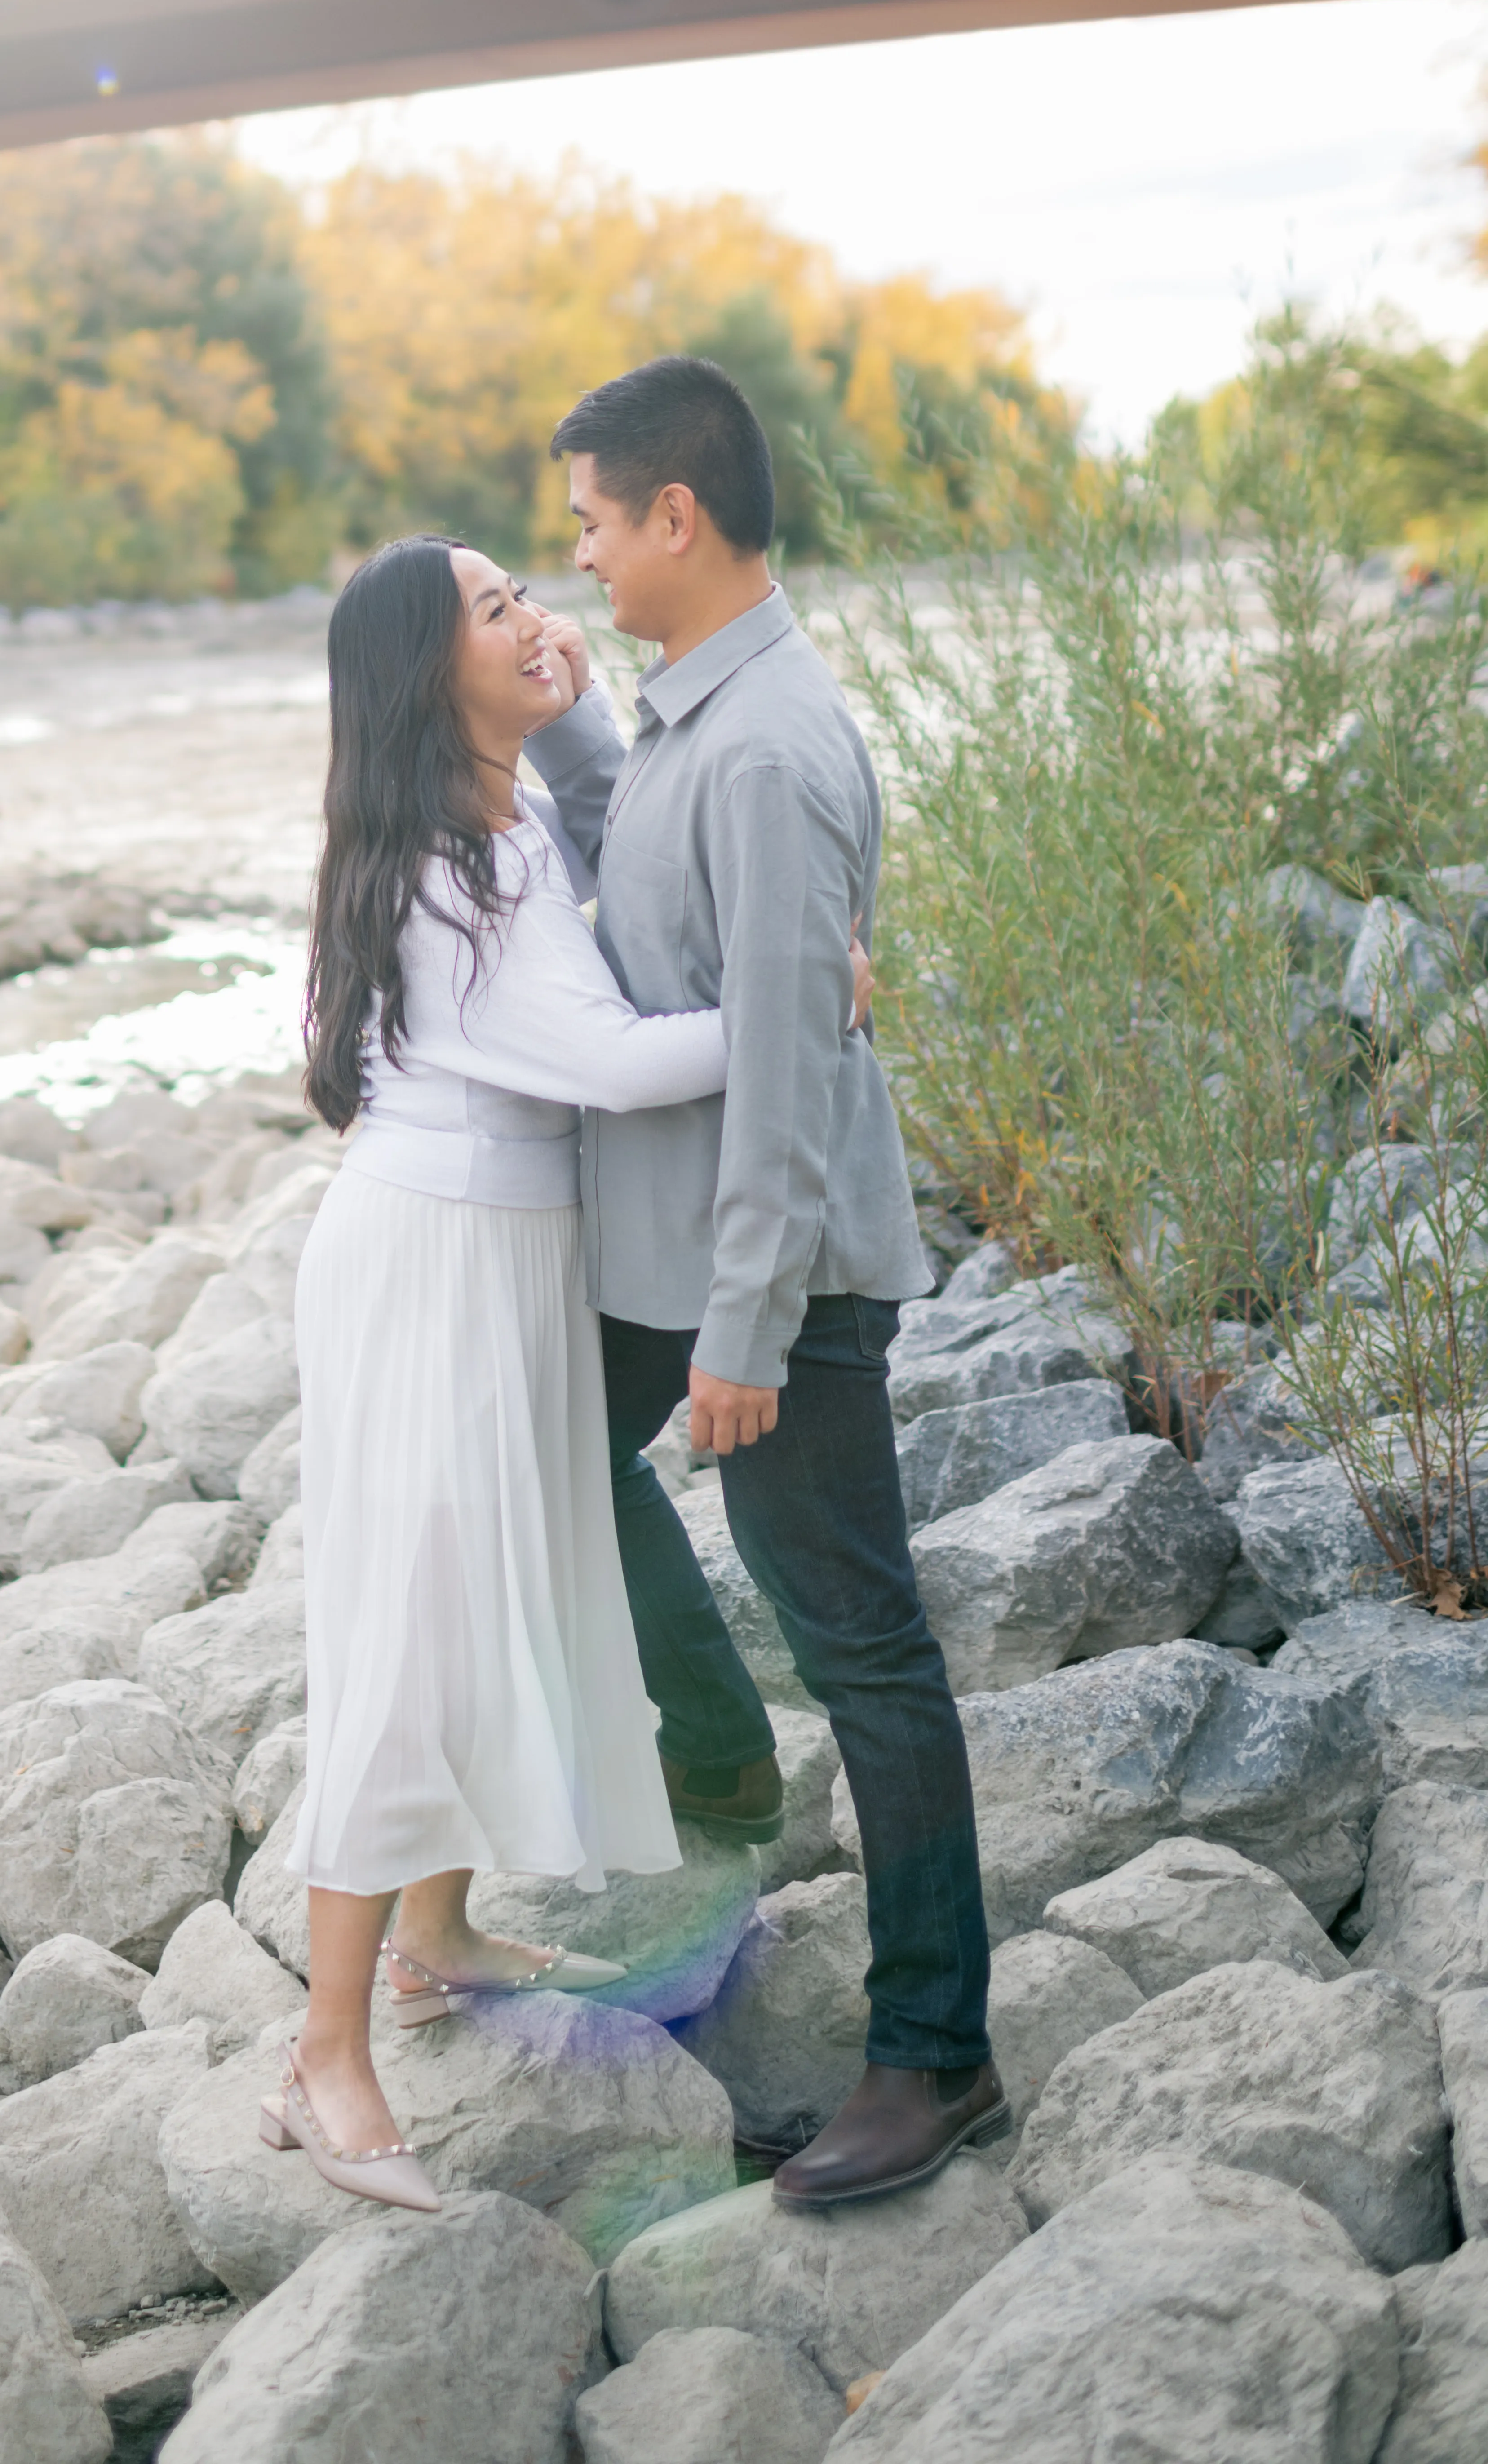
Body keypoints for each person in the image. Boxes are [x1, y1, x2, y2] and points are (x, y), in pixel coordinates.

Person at [275, 532, 863, 2216]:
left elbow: (622, 873)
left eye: (529, 589)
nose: (539, 617)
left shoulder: (503, 812)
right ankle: (325, 2055)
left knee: (492, 1598)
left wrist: (577, 711)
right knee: (411, 1633)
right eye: (496, 610)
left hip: (506, 1251)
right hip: (436, 1260)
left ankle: (439, 1934)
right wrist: (797, 1007)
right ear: (426, 673)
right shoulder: (449, 864)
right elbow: (603, 1059)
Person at [528, 351, 1002, 2207]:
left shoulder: (771, 748)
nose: (575, 556)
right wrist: (572, 728)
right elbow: (645, 886)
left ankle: (937, 2052)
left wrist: (749, 1333)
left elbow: (792, 1067)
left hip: (770, 1278)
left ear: (676, 514)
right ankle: (721, 1758)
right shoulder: (695, 718)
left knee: (865, 1650)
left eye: (589, 521)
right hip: (678, 1253)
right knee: (549, 1457)